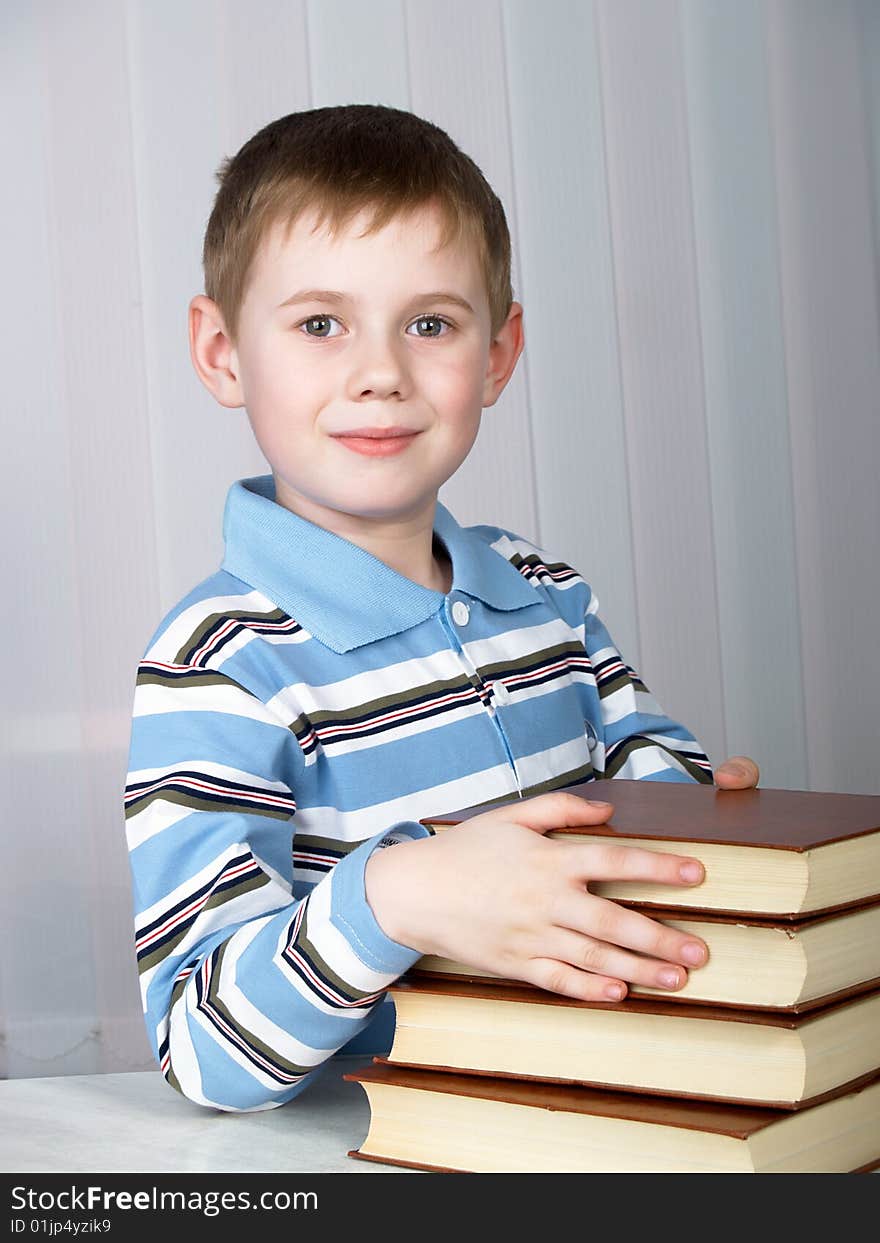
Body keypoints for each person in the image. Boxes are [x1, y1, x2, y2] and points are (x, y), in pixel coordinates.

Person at [124, 104, 759, 1112]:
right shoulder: (220, 663)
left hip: (604, 1106)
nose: (380, 373)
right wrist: (400, 896)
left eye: (430, 323)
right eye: (319, 324)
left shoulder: (543, 590)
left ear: (497, 355)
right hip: (383, 1147)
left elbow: (645, 772)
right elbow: (205, 1050)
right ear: (222, 351)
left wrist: (706, 821)